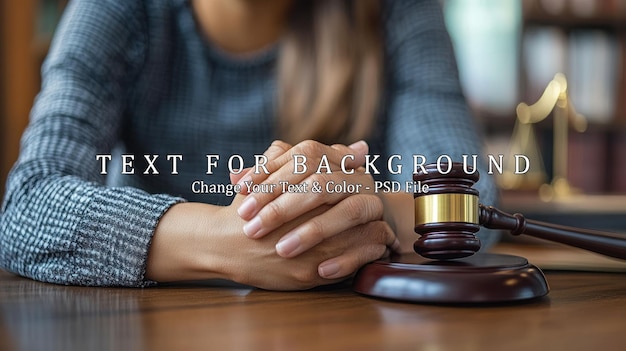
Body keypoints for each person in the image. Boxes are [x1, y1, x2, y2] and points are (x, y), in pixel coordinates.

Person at [0, 0, 499, 289]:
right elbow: (26, 208)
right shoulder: (120, 10)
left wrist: (368, 214)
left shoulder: (396, 10)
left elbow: (472, 198)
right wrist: (230, 240)